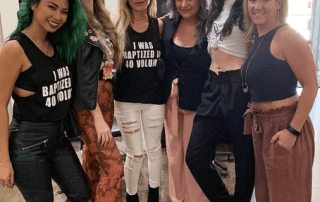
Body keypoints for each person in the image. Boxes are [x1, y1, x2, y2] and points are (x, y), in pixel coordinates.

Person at [0, 0, 90, 201]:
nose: (58, 17)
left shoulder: (57, 44)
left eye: (64, 11)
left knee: (81, 194)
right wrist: (2, 160)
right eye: (51, 6)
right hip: (27, 144)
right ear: (33, 5)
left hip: (58, 137)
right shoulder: (15, 48)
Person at [242, 0, 318, 201]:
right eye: (252, 0)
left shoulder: (286, 36)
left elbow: (311, 86)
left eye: (264, 0)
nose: (256, 6)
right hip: (263, 127)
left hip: (284, 125)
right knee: (266, 195)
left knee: (288, 195)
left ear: (278, 3)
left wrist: (292, 131)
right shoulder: (258, 37)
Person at [185, 0, 255, 201]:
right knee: (195, 157)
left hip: (238, 84)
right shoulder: (213, 6)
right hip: (212, 84)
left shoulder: (247, 7)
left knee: (245, 159)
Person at [70, 0, 124, 201]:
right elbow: (81, 77)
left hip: (106, 96)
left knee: (92, 159)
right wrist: (97, 115)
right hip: (89, 103)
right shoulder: (74, 21)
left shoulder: (100, 17)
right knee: (114, 167)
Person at [114, 0, 164, 201]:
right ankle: (131, 195)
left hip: (154, 99)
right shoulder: (117, 26)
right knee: (135, 154)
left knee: (154, 150)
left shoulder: (158, 26)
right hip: (126, 102)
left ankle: (154, 193)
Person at [161, 0, 210, 201]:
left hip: (200, 103)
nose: (184, 4)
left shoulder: (211, 26)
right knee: (173, 157)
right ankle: (177, 198)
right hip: (171, 102)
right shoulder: (168, 23)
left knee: (195, 159)